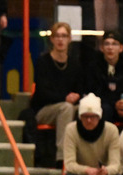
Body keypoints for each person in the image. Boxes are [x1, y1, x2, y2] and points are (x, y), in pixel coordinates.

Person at [31, 22, 83, 166]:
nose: (61, 40)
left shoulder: (75, 64)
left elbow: (79, 88)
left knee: (88, 109)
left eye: (64, 36)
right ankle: (63, 158)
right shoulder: (43, 61)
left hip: (67, 106)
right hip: (44, 109)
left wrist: (77, 96)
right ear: (52, 39)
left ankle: (87, 156)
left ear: (70, 39)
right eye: (57, 36)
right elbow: (42, 92)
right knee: (66, 108)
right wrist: (65, 98)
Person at [83, 30, 123, 125]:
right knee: (105, 109)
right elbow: (92, 93)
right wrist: (114, 104)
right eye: (107, 44)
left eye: (114, 44)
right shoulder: (93, 68)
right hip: (103, 108)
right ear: (101, 48)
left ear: (121, 48)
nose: (110, 47)